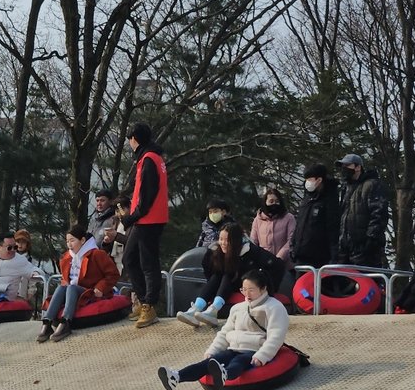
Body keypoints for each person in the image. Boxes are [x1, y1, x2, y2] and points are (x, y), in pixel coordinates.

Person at [158, 268, 289, 390]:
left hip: (254, 349)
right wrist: (212, 350)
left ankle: (225, 374)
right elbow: (225, 332)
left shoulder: (274, 307)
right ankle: (176, 376)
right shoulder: (238, 308)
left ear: (263, 288)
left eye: (251, 290)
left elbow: (276, 335)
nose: (247, 294)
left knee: (238, 362)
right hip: (234, 348)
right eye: (244, 290)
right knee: (208, 363)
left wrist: (262, 356)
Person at [176, 223, 286, 327]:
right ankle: (196, 308)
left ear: (236, 240)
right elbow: (208, 269)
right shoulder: (215, 251)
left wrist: (267, 286)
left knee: (227, 276)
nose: (223, 243)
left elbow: (277, 265)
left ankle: (214, 310)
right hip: (227, 282)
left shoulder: (250, 250)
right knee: (217, 276)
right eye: (221, 239)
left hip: (245, 283)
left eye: (227, 240)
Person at [120, 123, 169, 328]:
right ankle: (143, 301)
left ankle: (149, 305)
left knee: (148, 263)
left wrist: (130, 218)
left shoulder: (149, 159)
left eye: (129, 139)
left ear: (134, 139)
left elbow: (147, 197)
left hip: (149, 219)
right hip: (147, 219)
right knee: (129, 259)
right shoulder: (152, 157)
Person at [36, 225, 120, 343]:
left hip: (90, 291)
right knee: (61, 288)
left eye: (72, 241)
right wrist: (65, 284)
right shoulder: (67, 257)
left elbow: (113, 274)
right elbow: (65, 278)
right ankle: (47, 322)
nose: (69, 244)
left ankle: (66, 322)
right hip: (72, 290)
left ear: (82, 240)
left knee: (72, 288)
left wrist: (101, 287)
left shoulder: (97, 254)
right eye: (67, 241)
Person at [336, 153, 390, 268]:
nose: (344, 169)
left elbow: (379, 214)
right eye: (342, 166)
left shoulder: (372, 185)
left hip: (365, 250)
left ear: (358, 167)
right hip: (345, 250)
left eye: (347, 165)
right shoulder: (346, 188)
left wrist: (370, 240)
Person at [290, 164, 341, 269]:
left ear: (319, 180)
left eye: (310, 179)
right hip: (301, 254)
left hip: (318, 257)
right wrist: (293, 246)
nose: (307, 182)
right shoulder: (307, 199)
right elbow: (300, 224)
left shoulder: (329, 200)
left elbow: (333, 228)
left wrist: (334, 256)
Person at [249, 188, 296, 265]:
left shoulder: (289, 218)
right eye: (271, 201)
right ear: (265, 202)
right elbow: (253, 241)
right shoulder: (257, 220)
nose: (274, 204)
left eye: (277, 201)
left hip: (284, 264)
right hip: (264, 264)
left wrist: (279, 258)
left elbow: (291, 240)